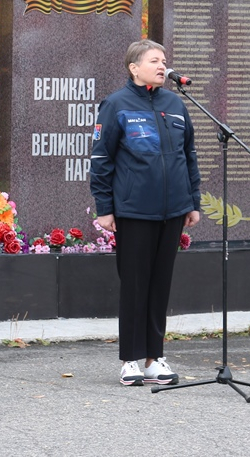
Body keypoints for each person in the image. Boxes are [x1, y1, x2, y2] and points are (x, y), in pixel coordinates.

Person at [90, 39, 201, 386]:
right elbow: (101, 159)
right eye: (154, 60)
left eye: (164, 60)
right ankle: (130, 360)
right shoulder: (116, 104)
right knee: (135, 285)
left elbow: (189, 156)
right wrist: (105, 207)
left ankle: (155, 358)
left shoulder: (175, 104)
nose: (162, 65)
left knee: (160, 285)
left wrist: (192, 202)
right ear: (134, 68)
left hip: (172, 211)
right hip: (135, 211)